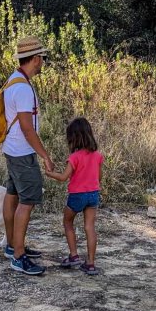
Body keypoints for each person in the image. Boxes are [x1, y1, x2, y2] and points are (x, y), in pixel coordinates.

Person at [1, 36, 55, 276]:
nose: (43, 62)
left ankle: (12, 245)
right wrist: (44, 155)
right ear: (35, 59)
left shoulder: (14, 79)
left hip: (11, 150)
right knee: (28, 201)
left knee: (12, 195)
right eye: (42, 58)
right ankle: (19, 257)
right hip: (23, 152)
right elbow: (27, 127)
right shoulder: (23, 88)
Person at [44, 116, 104, 276]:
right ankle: (90, 263)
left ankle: (74, 255)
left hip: (77, 195)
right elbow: (99, 178)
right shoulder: (97, 155)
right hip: (93, 195)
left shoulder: (74, 157)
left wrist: (50, 174)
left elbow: (63, 177)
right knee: (90, 227)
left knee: (68, 222)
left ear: (73, 138)